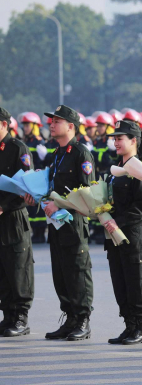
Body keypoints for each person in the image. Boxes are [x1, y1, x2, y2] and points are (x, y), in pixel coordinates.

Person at [27, 105, 96, 341]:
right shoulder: (57, 154)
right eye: (51, 121)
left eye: (57, 121)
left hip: (74, 222)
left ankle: (83, 320)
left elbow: (87, 193)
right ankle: (70, 318)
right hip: (56, 223)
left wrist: (62, 204)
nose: (51, 124)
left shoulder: (80, 153)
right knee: (61, 272)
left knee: (77, 271)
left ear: (70, 126)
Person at [104, 120, 142, 344]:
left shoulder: (138, 169)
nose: (116, 142)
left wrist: (117, 221)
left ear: (134, 141)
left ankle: (141, 328)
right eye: (115, 138)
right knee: (119, 282)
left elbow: (141, 209)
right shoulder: (116, 170)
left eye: (120, 138)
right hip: (114, 236)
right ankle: (129, 326)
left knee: (135, 283)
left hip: (132, 236)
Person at [0, 106, 35, 337]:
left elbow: (25, 188)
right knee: (2, 270)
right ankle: (8, 316)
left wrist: (3, 206)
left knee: (17, 268)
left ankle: (21, 317)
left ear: (4, 124)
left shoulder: (18, 148)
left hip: (13, 217)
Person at [20, 112, 48, 243]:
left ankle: (40, 233)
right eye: (24, 125)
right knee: (30, 205)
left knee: (38, 206)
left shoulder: (39, 141)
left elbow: (42, 161)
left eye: (28, 125)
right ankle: (35, 232)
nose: (25, 127)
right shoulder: (25, 141)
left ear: (35, 126)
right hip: (28, 178)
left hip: (37, 177)